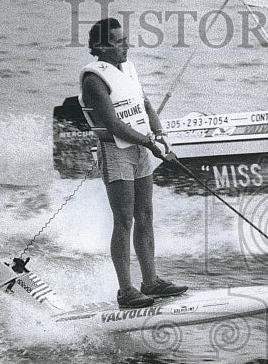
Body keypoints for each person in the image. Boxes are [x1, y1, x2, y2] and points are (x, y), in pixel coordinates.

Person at [79, 16, 187, 308]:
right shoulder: (93, 80)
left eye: (125, 40)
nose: (126, 46)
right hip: (117, 152)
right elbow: (113, 124)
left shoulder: (127, 69)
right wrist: (150, 144)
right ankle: (125, 290)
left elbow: (146, 104)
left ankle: (151, 281)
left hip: (140, 147)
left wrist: (160, 134)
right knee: (124, 219)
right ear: (101, 47)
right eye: (118, 43)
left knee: (146, 216)